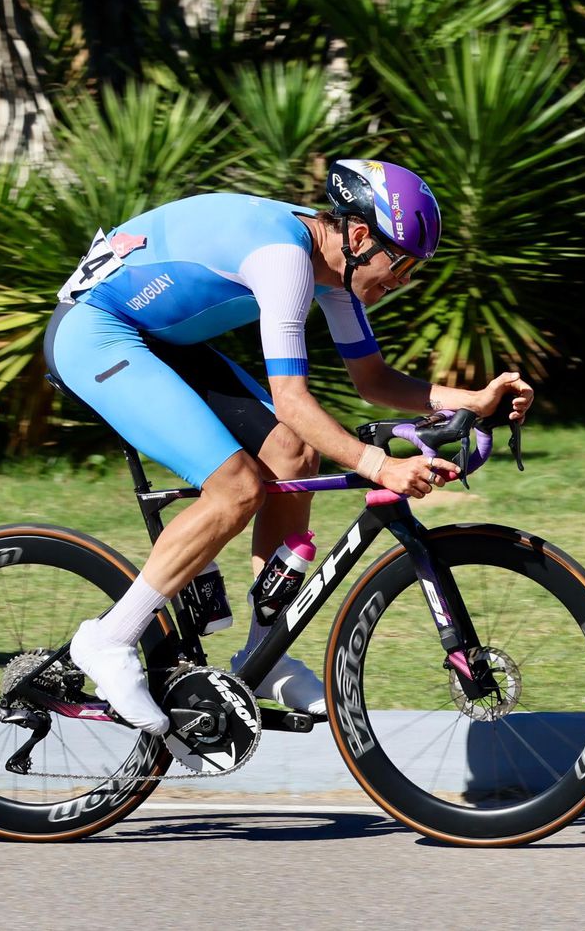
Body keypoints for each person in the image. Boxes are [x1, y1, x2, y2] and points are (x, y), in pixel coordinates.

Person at [44, 158, 534, 735]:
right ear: (357, 236)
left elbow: (372, 380)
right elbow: (295, 400)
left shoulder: (336, 268)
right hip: (95, 334)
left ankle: (263, 653)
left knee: (294, 456)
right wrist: (379, 466)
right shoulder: (284, 261)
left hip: (158, 336)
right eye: (399, 263)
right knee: (236, 489)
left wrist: (474, 400)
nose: (402, 280)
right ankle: (109, 640)